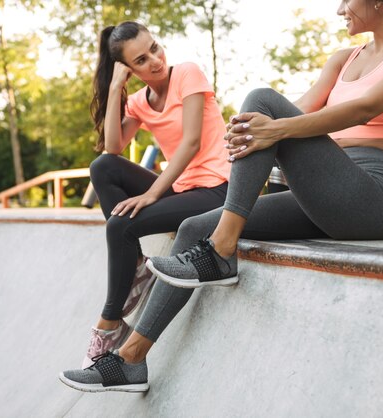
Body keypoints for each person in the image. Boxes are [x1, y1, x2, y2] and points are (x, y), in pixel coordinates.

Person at [59, 0, 383, 392]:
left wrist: (272, 129)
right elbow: (297, 113)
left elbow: (367, 108)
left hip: (371, 198)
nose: (340, 8)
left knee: (261, 102)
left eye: (347, 0)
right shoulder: (344, 58)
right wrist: (250, 130)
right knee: (194, 227)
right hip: (325, 193)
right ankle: (131, 359)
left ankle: (221, 250)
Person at [63, 21, 231, 379]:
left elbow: (190, 142)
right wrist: (114, 90)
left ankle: (110, 322)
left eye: (155, 48)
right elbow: (113, 147)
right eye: (141, 59)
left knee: (120, 224)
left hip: (217, 189)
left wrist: (152, 194)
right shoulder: (139, 101)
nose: (155, 60)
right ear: (130, 70)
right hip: (184, 189)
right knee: (103, 166)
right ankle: (137, 265)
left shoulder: (187, 74)